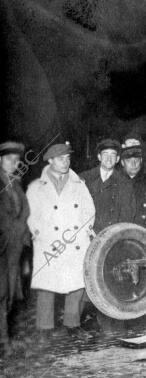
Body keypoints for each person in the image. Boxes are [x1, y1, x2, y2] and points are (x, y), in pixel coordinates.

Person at [26, 142, 96, 341]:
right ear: (50, 161)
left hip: (74, 242)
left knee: (76, 286)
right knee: (47, 287)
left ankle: (73, 325)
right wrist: (39, 233)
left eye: (67, 158)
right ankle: (44, 329)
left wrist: (83, 231)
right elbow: (31, 215)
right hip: (49, 243)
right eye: (60, 159)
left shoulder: (78, 184)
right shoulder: (36, 187)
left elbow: (89, 211)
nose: (65, 162)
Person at [0, 141, 30, 354]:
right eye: (9, 159)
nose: (14, 163)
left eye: (17, 160)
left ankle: (4, 338)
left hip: (14, 249)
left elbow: (23, 214)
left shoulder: (16, 183)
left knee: (8, 293)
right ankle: (4, 341)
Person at [80, 139, 136, 233]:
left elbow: (127, 215)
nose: (109, 159)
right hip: (86, 235)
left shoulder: (125, 183)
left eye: (112, 155)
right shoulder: (85, 179)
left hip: (111, 236)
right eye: (105, 154)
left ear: (117, 159)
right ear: (99, 157)